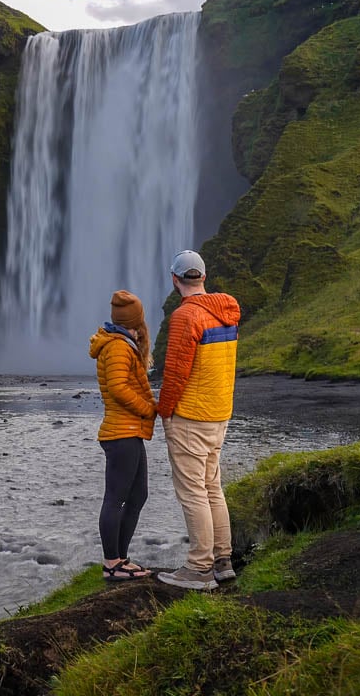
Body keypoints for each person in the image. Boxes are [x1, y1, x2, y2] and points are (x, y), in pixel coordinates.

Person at [155, 250, 241, 591]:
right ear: (203, 277)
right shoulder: (229, 313)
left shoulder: (185, 317)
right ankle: (223, 561)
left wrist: (164, 410)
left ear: (175, 280)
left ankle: (199, 568)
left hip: (191, 415)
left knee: (192, 492)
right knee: (212, 488)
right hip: (220, 412)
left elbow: (176, 372)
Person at [89, 289, 160, 581]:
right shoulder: (119, 346)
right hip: (122, 432)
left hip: (128, 431)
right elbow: (118, 388)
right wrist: (147, 408)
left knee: (137, 495)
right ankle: (112, 563)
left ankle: (120, 558)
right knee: (116, 497)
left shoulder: (123, 343)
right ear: (135, 320)